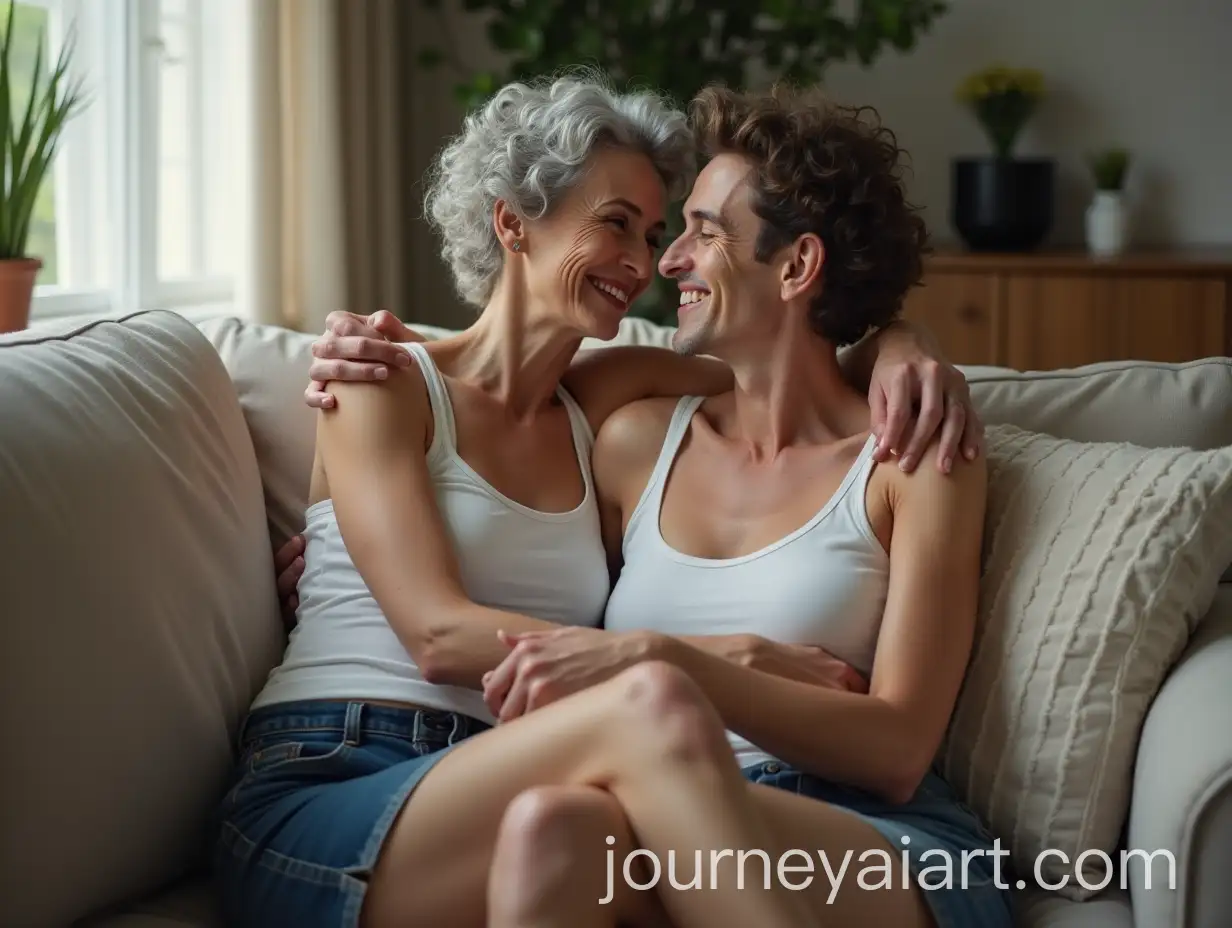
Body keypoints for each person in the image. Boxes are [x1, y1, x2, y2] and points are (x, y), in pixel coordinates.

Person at [217, 72, 995, 928]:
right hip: (343, 761)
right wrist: (711, 657)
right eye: (618, 225)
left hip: (528, 770)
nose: (651, 264)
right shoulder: (387, 380)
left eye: (669, 231)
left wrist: (903, 345)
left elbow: (797, 365)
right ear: (511, 221)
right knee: (613, 750)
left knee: (564, 818)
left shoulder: (601, 407)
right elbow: (438, 635)